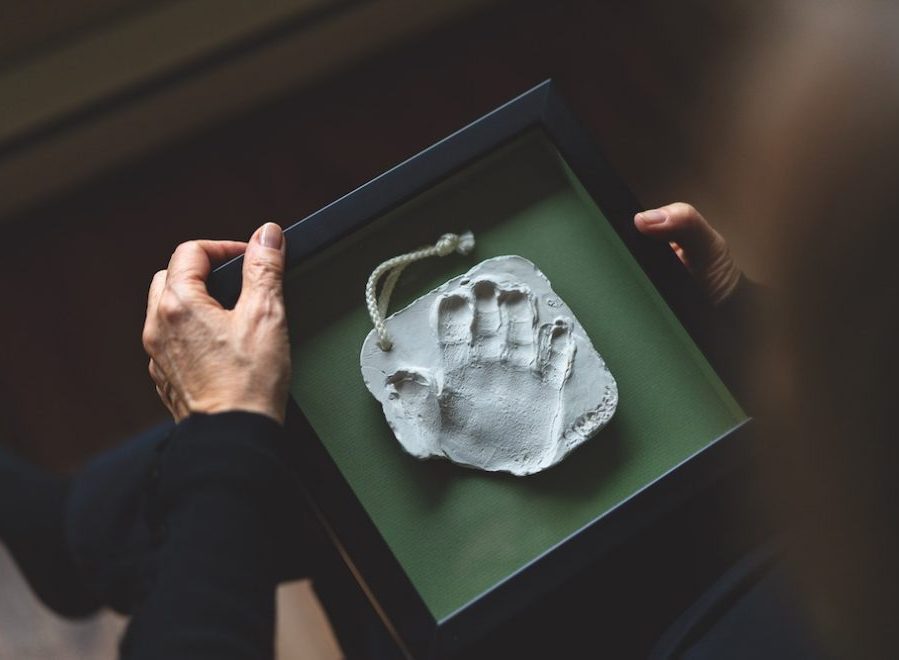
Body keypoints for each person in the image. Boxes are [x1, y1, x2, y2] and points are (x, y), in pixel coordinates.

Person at [0, 203, 761, 658]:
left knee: (297, 453)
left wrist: (223, 425)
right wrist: (748, 327)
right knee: (316, 455)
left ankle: (75, 540)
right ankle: (74, 538)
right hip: (753, 554)